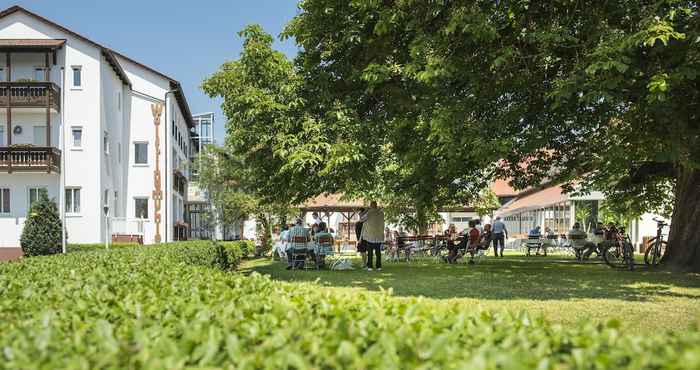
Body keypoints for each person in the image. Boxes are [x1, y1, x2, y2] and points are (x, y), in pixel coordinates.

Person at [361, 201, 385, 271]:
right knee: (378, 253)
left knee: (370, 252)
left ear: (371, 206)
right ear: (376, 205)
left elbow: (361, 219)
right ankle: (379, 266)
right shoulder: (381, 213)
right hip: (379, 236)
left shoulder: (369, 213)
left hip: (370, 236)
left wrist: (366, 211)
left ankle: (370, 267)